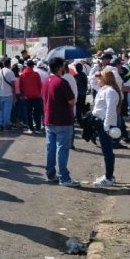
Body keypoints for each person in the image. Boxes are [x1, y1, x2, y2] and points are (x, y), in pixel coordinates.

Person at [41, 57, 79, 187]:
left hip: (49, 120)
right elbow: (71, 101)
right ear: (60, 67)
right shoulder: (61, 82)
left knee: (50, 149)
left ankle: (50, 174)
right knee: (61, 150)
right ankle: (64, 177)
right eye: (63, 66)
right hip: (62, 120)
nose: (64, 68)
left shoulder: (46, 81)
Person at [92, 70, 122, 187]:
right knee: (106, 150)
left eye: (100, 77)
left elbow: (110, 110)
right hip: (102, 123)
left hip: (106, 124)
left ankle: (109, 177)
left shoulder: (110, 91)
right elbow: (93, 82)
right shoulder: (104, 89)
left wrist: (106, 125)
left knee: (107, 151)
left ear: (105, 78)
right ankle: (109, 175)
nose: (97, 79)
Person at [19, 59, 43, 134]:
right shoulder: (36, 74)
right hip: (37, 96)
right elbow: (40, 85)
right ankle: (38, 128)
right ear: (33, 66)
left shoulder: (22, 75)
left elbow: (20, 86)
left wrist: (23, 94)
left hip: (27, 97)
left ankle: (31, 128)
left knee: (28, 113)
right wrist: (39, 93)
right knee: (37, 113)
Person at [0, 60, 16, 130]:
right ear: (9, 64)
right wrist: (14, 96)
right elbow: (13, 85)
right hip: (8, 94)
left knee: (1, 109)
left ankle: (0, 123)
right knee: (7, 110)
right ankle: (5, 124)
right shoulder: (10, 72)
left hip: (0, 93)